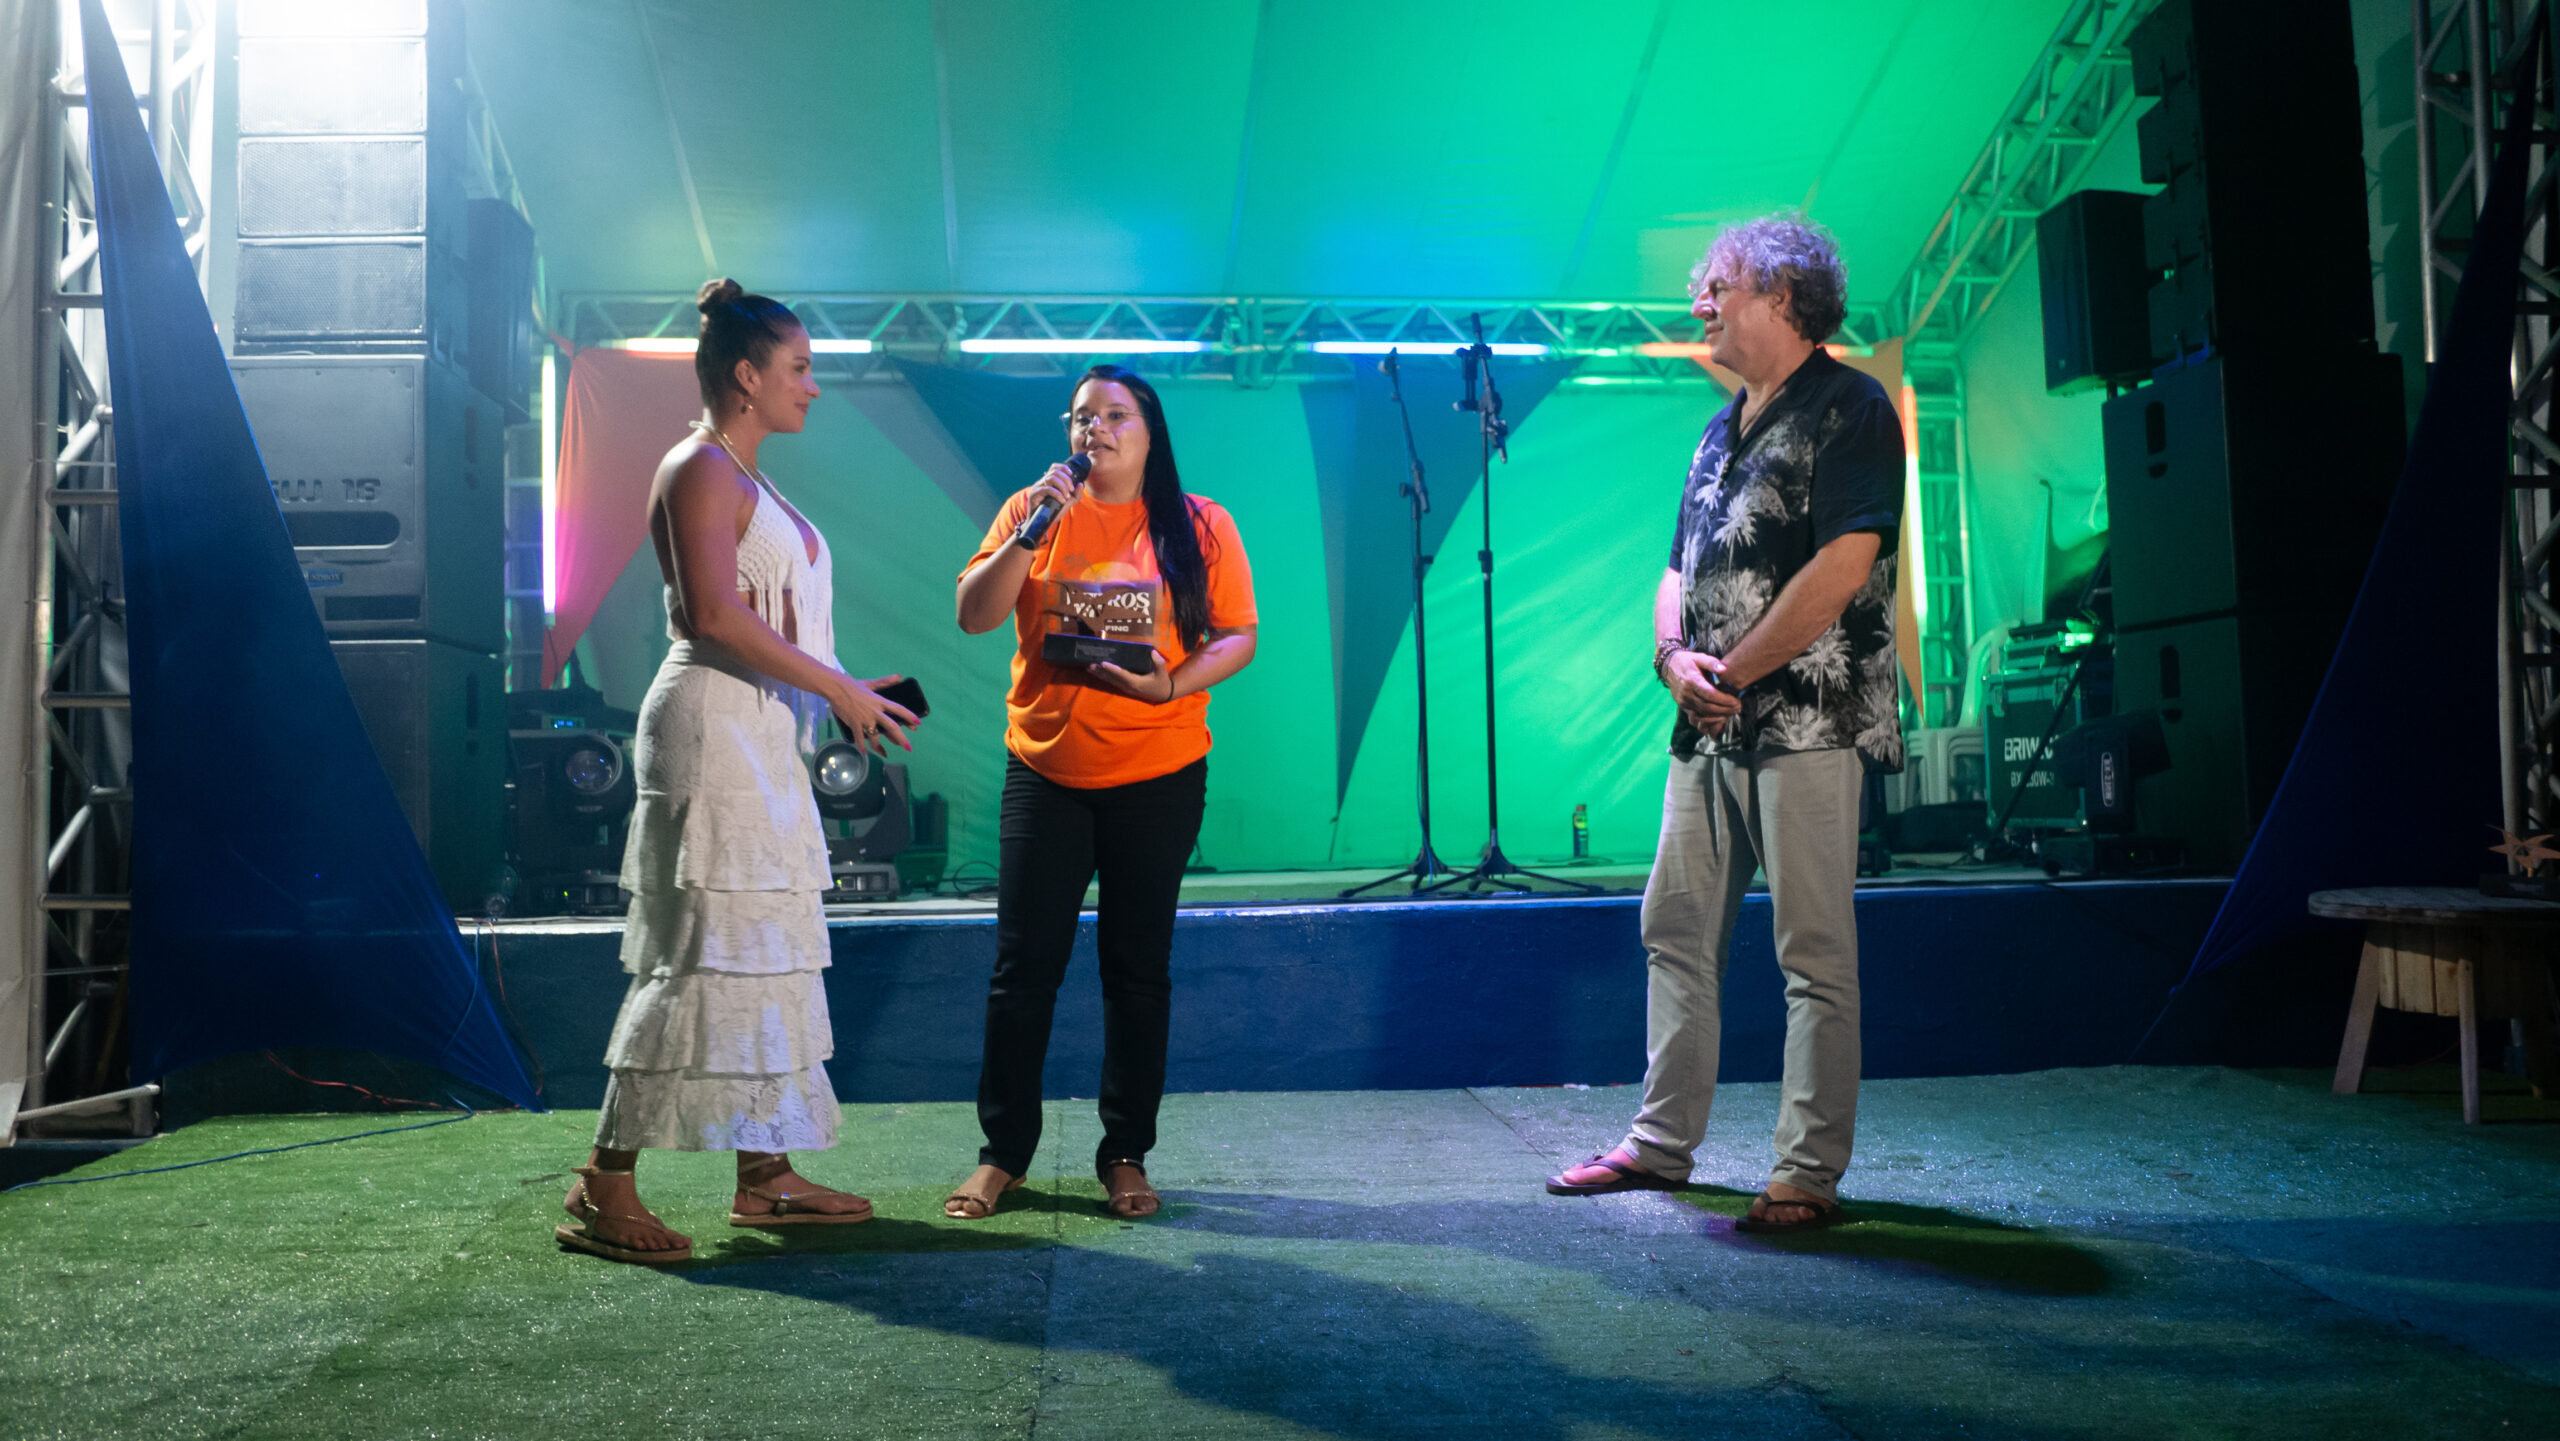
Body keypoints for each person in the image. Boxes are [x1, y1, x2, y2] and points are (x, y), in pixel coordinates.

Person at [1546, 214, 1903, 1232]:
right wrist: (1673, 663)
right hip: (1708, 725)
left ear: (1784, 299)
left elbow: (1842, 566)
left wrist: (1729, 672)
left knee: (1812, 951)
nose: (1699, 303)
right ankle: (1660, 1145)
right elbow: (1675, 571)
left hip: (1807, 723)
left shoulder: (1851, 407)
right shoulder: (1719, 426)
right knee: (1674, 927)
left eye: (1719, 287)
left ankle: (1805, 1172)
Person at [556, 279, 921, 1265]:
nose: (813, 387)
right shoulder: (699, 468)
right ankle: (604, 1182)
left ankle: (765, 1176)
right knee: (699, 949)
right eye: (800, 369)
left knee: (763, 944)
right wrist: (835, 691)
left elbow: (769, 624)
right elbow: (715, 619)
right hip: (710, 728)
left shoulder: (750, 478)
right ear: (748, 377)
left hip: (758, 733)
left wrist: (851, 687)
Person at [944, 365, 1258, 1221]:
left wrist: (1171, 686)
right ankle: (1002, 1152)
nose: (1096, 430)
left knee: (1136, 973)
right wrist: (1029, 533)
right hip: (1044, 772)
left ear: (1150, 431)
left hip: (1159, 776)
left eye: (1116, 415)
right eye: (1083, 417)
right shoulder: (1031, 509)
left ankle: (1125, 1153)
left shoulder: (1201, 524)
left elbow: (1237, 635)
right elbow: (974, 615)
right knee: (1022, 973)